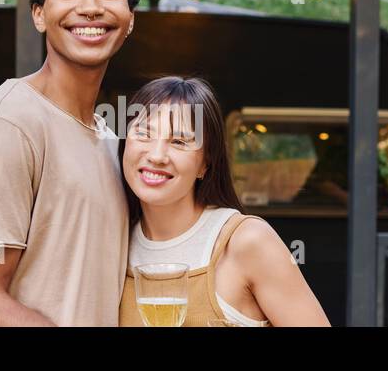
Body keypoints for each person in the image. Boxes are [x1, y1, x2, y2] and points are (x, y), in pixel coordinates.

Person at [0, 0, 139, 326]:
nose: (90, 7)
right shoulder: (10, 123)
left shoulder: (109, 138)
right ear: (39, 13)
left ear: (130, 18)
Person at [118, 77, 330, 327]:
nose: (156, 156)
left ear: (205, 163)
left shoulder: (246, 240)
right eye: (144, 134)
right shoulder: (114, 246)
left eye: (179, 142)